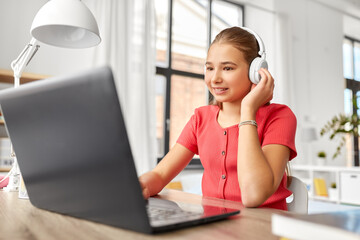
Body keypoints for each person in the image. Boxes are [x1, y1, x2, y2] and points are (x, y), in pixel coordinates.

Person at [139, 26, 297, 210]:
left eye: (227, 68)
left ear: (256, 71)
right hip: (214, 227)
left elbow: (254, 195)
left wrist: (248, 110)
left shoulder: (279, 117)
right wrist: (138, 186)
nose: (215, 79)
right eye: (210, 68)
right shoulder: (200, 119)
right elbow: (160, 175)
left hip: (262, 229)